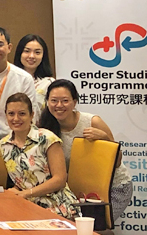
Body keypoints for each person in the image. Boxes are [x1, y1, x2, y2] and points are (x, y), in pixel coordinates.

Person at [39, 79, 132, 221]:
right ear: (47, 102)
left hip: (113, 187)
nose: (59, 105)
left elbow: (117, 161)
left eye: (65, 101)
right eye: (54, 101)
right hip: (77, 191)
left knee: (95, 229)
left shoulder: (92, 122)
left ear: (74, 102)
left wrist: (105, 138)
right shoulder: (44, 128)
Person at [0, 93, 78, 219]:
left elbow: (60, 180)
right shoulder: (4, 144)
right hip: (25, 205)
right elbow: (23, 179)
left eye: (22, 113)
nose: (16, 118)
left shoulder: (47, 138)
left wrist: (27, 193)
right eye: (11, 114)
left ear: (32, 115)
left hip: (56, 205)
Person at [14, 34, 55, 112]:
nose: (32, 56)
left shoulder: (49, 83)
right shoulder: (9, 79)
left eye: (37, 52)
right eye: (27, 51)